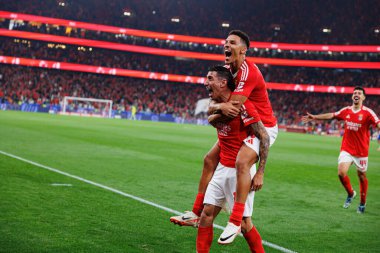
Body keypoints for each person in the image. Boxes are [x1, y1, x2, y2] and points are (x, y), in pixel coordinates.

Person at [170, 30, 277, 244]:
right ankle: (195, 212)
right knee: (209, 158)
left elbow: (233, 108)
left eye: (232, 42)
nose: (226, 45)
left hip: (261, 126)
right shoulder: (226, 71)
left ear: (243, 50)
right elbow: (220, 106)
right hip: (241, 125)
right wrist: (217, 107)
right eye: (226, 41)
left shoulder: (249, 73)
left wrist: (261, 173)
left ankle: (235, 221)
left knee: (242, 161)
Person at [197, 66, 265, 252]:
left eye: (210, 79)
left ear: (223, 82)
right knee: (206, 214)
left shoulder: (242, 106)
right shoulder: (216, 106)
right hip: (222, 169)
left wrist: (260, 171)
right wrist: (218, 108)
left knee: (244, 224)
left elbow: (264, 137)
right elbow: (212, 118)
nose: (206, 83)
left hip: (240, 171)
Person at [302, 87, 380, 214]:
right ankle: (350, 193)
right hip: (347, 149)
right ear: (352, 96)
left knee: (361, 176)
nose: (356, 94)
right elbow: (332, 115)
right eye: (355, 93)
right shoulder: (346, 111)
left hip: (361, 151)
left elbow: (378, 123)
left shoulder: (368, 113)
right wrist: (315, 117)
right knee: (341, 172)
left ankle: (362, 202)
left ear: (363, 98)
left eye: (359, 93)